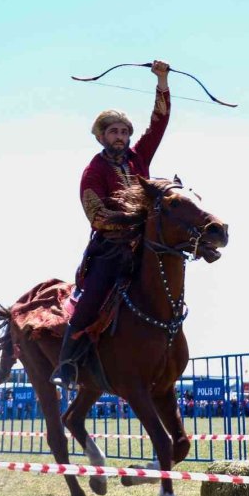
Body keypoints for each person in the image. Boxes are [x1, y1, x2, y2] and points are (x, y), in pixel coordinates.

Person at [51, 60, 171, 390]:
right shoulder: (93, 171)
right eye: (113, 132)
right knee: (90, 302)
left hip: (147, 243)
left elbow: (159, 123)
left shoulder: (139, 157)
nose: (120, 137)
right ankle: (68, 364)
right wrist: (133, 225)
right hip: (110, 248)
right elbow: (97, 216)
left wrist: (161, 80)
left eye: (124, 132)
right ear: (101, 136)